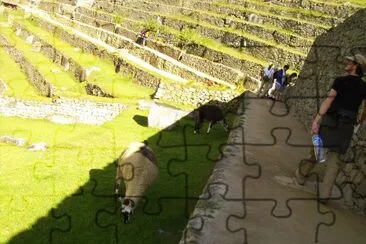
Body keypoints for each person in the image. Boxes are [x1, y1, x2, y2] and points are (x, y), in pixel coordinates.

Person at [294, 54, 366, 204]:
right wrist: (360, 119)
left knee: (316, 150)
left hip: (330, 121)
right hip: (346, 126)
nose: (346, 62)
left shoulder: (340, 81)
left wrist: (317, 120)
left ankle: (301, 176)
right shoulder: (363, 86)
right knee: (335, 160)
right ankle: (325, 195)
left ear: (356, 65)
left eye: (349, 61)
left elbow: (329, 100)